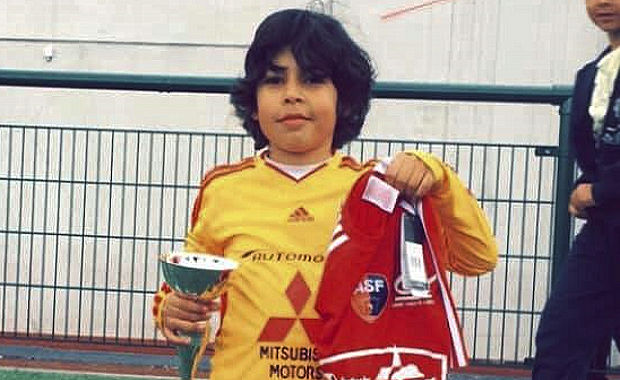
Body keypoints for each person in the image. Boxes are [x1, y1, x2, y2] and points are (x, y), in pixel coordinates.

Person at [151, 8, 498, 380]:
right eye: (274, 81)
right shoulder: (223, 188)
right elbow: (184, 290)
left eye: (313, 80)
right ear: (253, 102)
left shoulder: (378, 192)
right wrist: (170, 310)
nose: (292, 96)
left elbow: (477, 258)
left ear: (345, 99)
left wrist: (440, 178)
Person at [533, 0, 620, 378]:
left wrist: (600, 192)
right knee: (561, 336)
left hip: (608, 211)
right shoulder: (593, 72)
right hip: (605, 231)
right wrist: (585, 186)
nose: (602, 2)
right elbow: (596, 154)